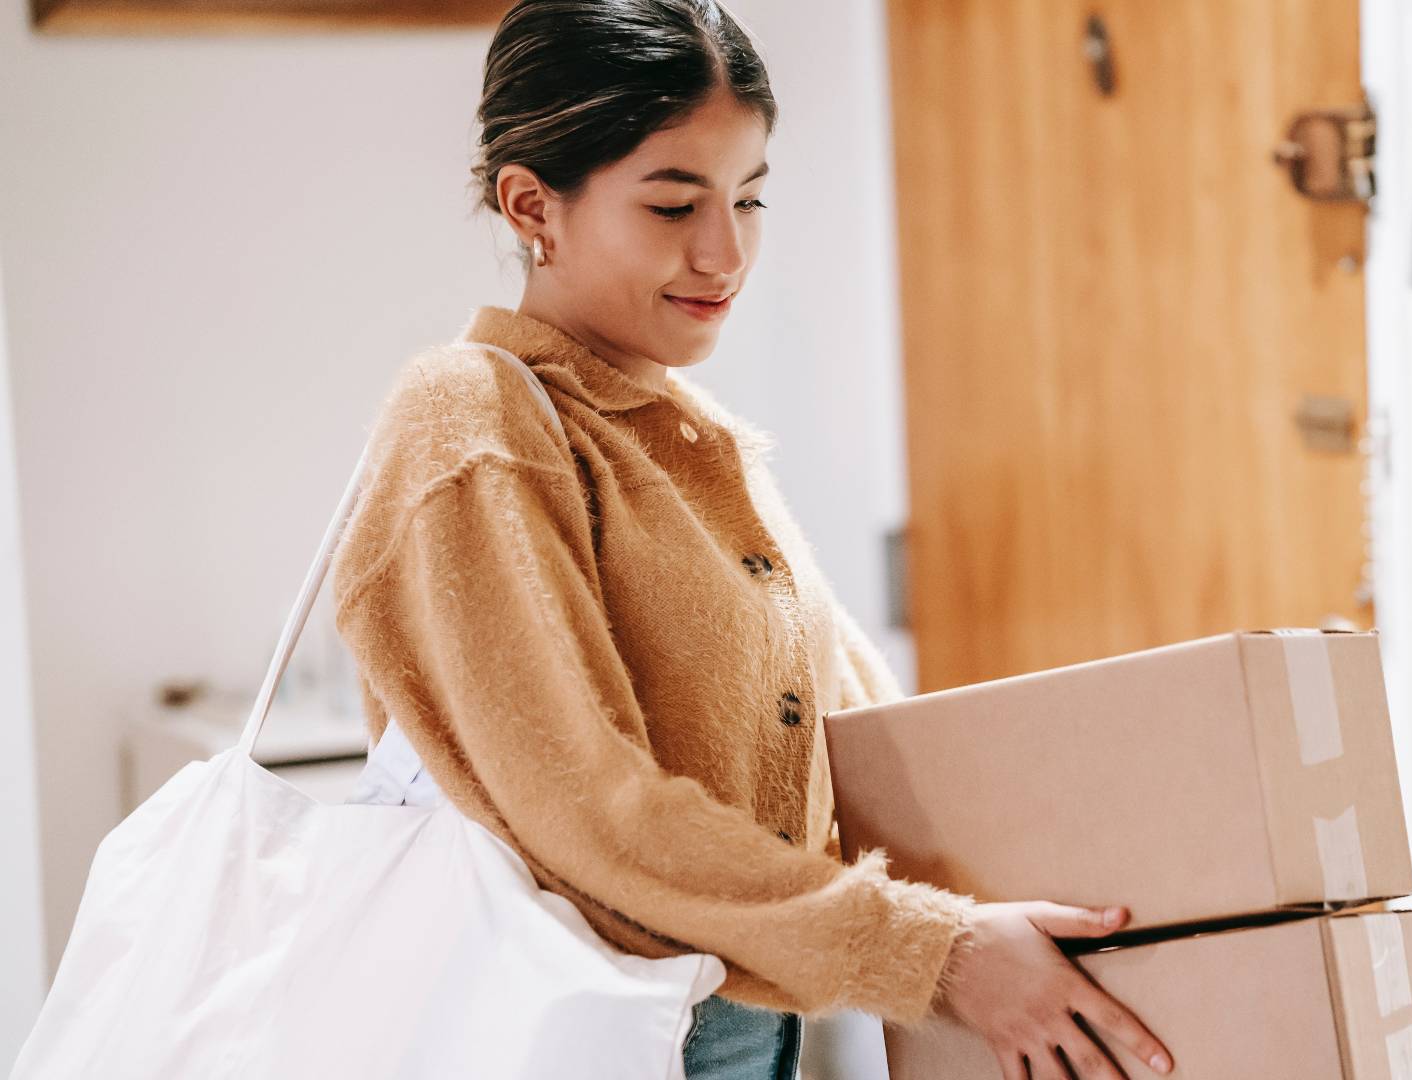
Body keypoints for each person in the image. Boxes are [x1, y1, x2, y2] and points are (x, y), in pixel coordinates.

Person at [330, 2, 1175, 1078]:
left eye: (751, 196)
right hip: (580, 1035)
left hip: (740, 1027)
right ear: (532, 204)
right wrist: (941, 952)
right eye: (675, 203)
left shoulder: (694, 437)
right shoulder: (468, 420)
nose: (724, 250)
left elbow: (861, 732)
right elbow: (590, 812)